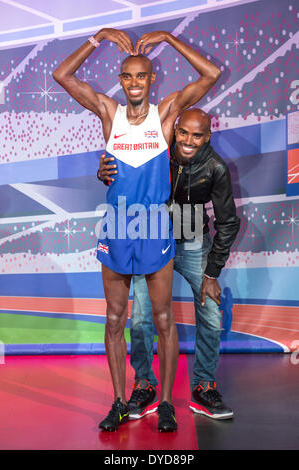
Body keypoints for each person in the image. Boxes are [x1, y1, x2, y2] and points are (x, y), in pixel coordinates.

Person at [53, 29, 221, 432]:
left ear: (151, 79)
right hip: (116, 224)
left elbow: (210, 74)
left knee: (163, 318)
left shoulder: (165, 115)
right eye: (126, 76)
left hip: (153, 225)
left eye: (141, 76)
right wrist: (96, 39)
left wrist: (169, 37)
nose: (133, 83)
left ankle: (165, 404)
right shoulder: (108, 113)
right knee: (115, 318)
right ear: (120, 79)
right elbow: (63, 75)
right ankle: (118, 401)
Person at [99, 108, 240, 420]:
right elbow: (125, 166)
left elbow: (228, 222)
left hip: (191, 239)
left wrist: (212, 273)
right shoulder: (158, 148)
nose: (189, 140)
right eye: (184, 133)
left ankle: (203, 385)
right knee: (140, 319)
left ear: (208, 137)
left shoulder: (215, 167)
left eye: (198, 135)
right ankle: (144, 384)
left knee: (211, 312)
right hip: (150, 236)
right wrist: (104, 170)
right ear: (174, 130)